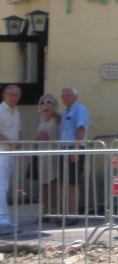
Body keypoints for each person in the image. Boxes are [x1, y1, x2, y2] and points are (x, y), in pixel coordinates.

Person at [60, 87, 89, 225]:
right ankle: (65, 213)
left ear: (75, 97)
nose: (65, 97)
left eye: (68, 95)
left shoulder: (79, 109)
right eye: (63, 95)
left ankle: (73, 214)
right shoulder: (66, 112)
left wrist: (75, 150)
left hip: (74, 149)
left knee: (72, 183)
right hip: (64, 149)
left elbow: (81, 129)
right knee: (65, 182)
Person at [0, 85, 22, 236]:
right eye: (11, 94)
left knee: (5, 186)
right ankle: (3, 219)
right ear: (4, 95)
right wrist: (9, 142)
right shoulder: (0, 111)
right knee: (1, 186)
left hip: (10, 152)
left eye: (16, 95)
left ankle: (5, 218)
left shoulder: (16, 112)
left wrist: (19, 142)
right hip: (1, 151)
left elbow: (18, 131)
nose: (14, 97)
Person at [35, 94, 62, 222]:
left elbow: (56, 118)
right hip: (43, 154)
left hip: (53, 152)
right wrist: (39, 137)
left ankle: (57, 212)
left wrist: (50, 108)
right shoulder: (41, 118)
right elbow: (36, 136)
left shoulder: (57, 115)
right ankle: (45, 212)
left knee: (55, 183)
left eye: (48, 101)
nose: (45, 104)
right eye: (42, 102)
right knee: (44, 184)